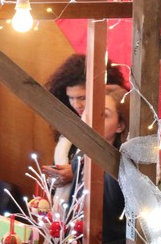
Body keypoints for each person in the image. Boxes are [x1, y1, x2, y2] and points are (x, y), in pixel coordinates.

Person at [40, 54, 127, 210]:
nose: (76, 104)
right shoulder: (69, 130)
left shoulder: (120, 141)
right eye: (70, 98)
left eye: (82, 97)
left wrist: (76, 174)